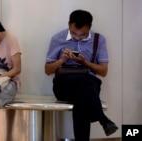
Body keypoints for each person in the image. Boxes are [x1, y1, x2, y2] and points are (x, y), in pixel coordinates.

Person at [45, 9, 118, 141]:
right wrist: (62, 60)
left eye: (82, 35)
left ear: (89, 28)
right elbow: (48, 70)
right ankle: (103, 120)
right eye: (74, 33)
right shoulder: (57, 39)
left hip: (89, 85)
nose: (77, 37)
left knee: (81, 102)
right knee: (80, 84)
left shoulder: (98, 40)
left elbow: (103, 72)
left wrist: (85, 62)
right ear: (69, 24)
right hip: (64, 85)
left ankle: (102, 124)